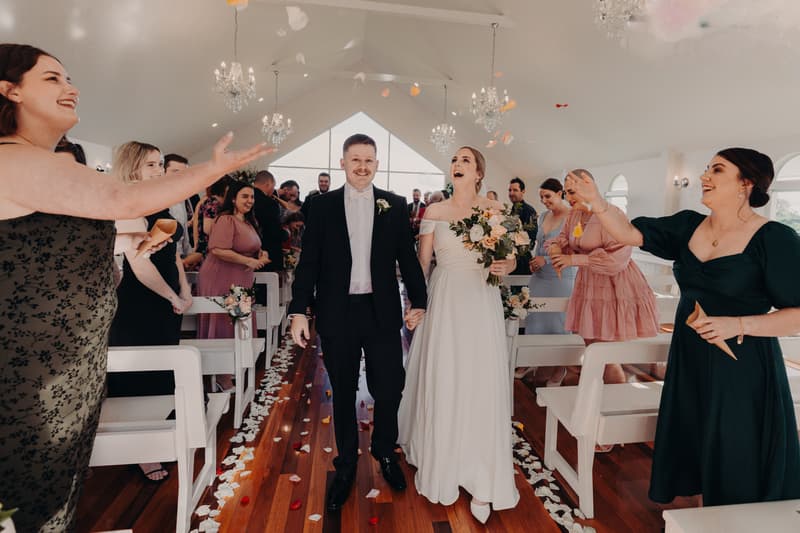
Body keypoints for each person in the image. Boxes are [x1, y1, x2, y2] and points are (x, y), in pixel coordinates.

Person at [0, 43, 268, 533]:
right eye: (53, 79)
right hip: (28, 370)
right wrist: (212, 170)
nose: (71, 88)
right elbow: (123, 197)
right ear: (9, 90)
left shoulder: (50, 164)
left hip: (69, 361)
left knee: (52, 497)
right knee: (30, 502)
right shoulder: (11, 159)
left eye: (69, 78)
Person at [570, 148, 800, 506]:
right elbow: (629, 233)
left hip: (743, 364)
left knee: (735, 447)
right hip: (689, 356)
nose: (705, 176)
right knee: (695, 439)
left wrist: (738, 323)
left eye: (717, 170)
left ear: (746, 183)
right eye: (707, 168)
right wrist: (597, 202)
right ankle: (695, 521)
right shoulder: (688, 225)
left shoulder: (775, 239)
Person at [289, 133, 427, 513]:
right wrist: (299, 310)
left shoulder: (394, 205)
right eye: (355, 160)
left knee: (388, 387)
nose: (362, 166)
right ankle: (346, 462)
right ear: (343, 163)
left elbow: (408, 258)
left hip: (381, 310)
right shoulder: (321, 206)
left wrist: (421, 300)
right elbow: (309, 263)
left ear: (377, 164)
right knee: (345, 388)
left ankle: (385, 452)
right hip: (337, 311)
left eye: (369, 160)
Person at [398, 146, 520, 524]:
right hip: (446, 297)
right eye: (454, 160)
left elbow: (510, 257)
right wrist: (414, 305)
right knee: (448, 376)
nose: (457, 164)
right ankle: (445, 459)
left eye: (465, 160)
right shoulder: (434, 212)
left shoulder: (496, 211)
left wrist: (507, 263)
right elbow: (421, 264)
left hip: (482, 300)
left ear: (479, 172)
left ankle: (482, 470)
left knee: (480, 381)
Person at [107, 141, 193, 482]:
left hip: (166, 300)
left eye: (160, 164)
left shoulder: (161, 207)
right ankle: (139, 451)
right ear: (133, 170)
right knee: (138, 375)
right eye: (152, 166)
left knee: (162, 372)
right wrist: (172, 295)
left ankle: (156, 436)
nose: (159, 171)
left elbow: (173, 257)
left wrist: (184, 291)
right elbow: (139, 265)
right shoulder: (129, 208)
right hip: (139, 303)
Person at [547, 170, 659, 387]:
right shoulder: (575, 215)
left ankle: (612, 403)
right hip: (588, 285)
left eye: (573, 192)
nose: (569, 198)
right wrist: (555, 248)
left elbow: (617, 259)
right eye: (566, 193)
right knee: (591, 348)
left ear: (589, 186)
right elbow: (563, 238)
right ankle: (594, 399)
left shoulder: (611, 214)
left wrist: (573, 260)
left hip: (614, 283)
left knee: (606, 355)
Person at [519, 178, 577, 384]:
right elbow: (539, 245)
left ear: (560, 193)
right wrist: (535, 261)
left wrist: (547, 259)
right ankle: (533, 361)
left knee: (558, 325)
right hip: (540, 277)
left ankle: (559, 369)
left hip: (561, 278)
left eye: (548, 196)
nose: (544, 201)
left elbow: (575, 250)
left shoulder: (572, 217)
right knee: (534, 321)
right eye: (541, 197)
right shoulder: (543, 216)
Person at [197, 180, 268, 340]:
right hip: (222, 275)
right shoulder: (226, 219)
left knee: (240, 319)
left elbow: (248, 246)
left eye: (252, 197)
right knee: (228, 320)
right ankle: (227, 360)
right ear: (233, 199)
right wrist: (247, 261)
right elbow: (217, 249)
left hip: (240, 276)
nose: (250, 200)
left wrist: (261, 254)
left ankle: (242, 360)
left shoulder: (248, 222)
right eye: (244, 196)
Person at [252, 170, 284, 272]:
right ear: (268, 184)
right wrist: (286, 233)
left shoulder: (245, 199)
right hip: (267, 252)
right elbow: (274, 230)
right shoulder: (269, 203)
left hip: (247, 252)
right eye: (273, 186)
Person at [508, 177, 538, 275]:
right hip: (511, 259)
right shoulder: (510, 211)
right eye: (510, 190)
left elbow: (532, 237)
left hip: (523, 261)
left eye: (515, 190)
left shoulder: (529, 210)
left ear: (523, 191)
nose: (511, 193)